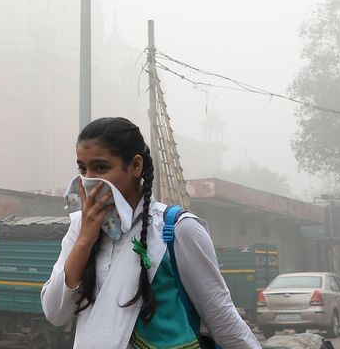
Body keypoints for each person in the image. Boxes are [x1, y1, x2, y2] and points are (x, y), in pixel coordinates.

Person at [41, 117, 260, 348]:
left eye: (101, 168)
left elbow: (222, 319)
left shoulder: (177, 229)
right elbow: (55, 312)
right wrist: (84, 239)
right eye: (83, 169)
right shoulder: (79, 229)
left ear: (135, 166)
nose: (88, 181)